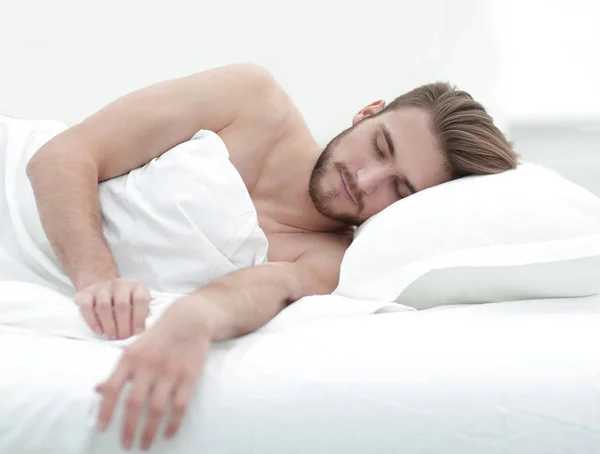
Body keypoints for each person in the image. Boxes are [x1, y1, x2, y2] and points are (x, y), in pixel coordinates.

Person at [26, 63, 518, 450]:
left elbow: (253, 291)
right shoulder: (252, 100)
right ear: (368, 112)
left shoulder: (331, 260)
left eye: (400, 188)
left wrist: (192, 321)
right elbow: (62, 156)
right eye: (380, 147)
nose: (365, 181)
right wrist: (95, 277)